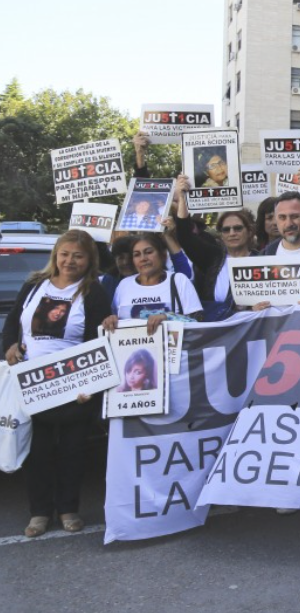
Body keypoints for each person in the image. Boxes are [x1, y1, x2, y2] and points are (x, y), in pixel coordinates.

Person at [3, 230, 113, 537]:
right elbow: (13, 323)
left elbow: (98, 340)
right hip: (32, 384)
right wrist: (10, 346)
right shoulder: (34, 284)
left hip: (73, 387)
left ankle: (68, 509)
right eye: (65, 254)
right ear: (56, 255)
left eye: (78, 255)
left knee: (72, 451)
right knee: (36, 451)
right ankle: (39, 513)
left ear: (89, 259)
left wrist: (91, 385)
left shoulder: (94, 291)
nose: (70, 260)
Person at [173, 175, 259, 321]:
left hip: (250, 330)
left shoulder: (262, 260)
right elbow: (185, 237)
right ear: (221, 235)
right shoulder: (213, 258)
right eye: (226, 230)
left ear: (249, 232)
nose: (232, 233)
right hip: (216, 331)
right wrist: (182, 199)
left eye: (237, 228)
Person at [103, 234, 203, 335]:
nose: (143, 259)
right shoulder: (124, 285)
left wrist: (167, 317)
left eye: (149, 252)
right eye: (137, 255)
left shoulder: (179, 280)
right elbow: (115, 317)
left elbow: (198, 322)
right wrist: (111, 320)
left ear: (163, 255)